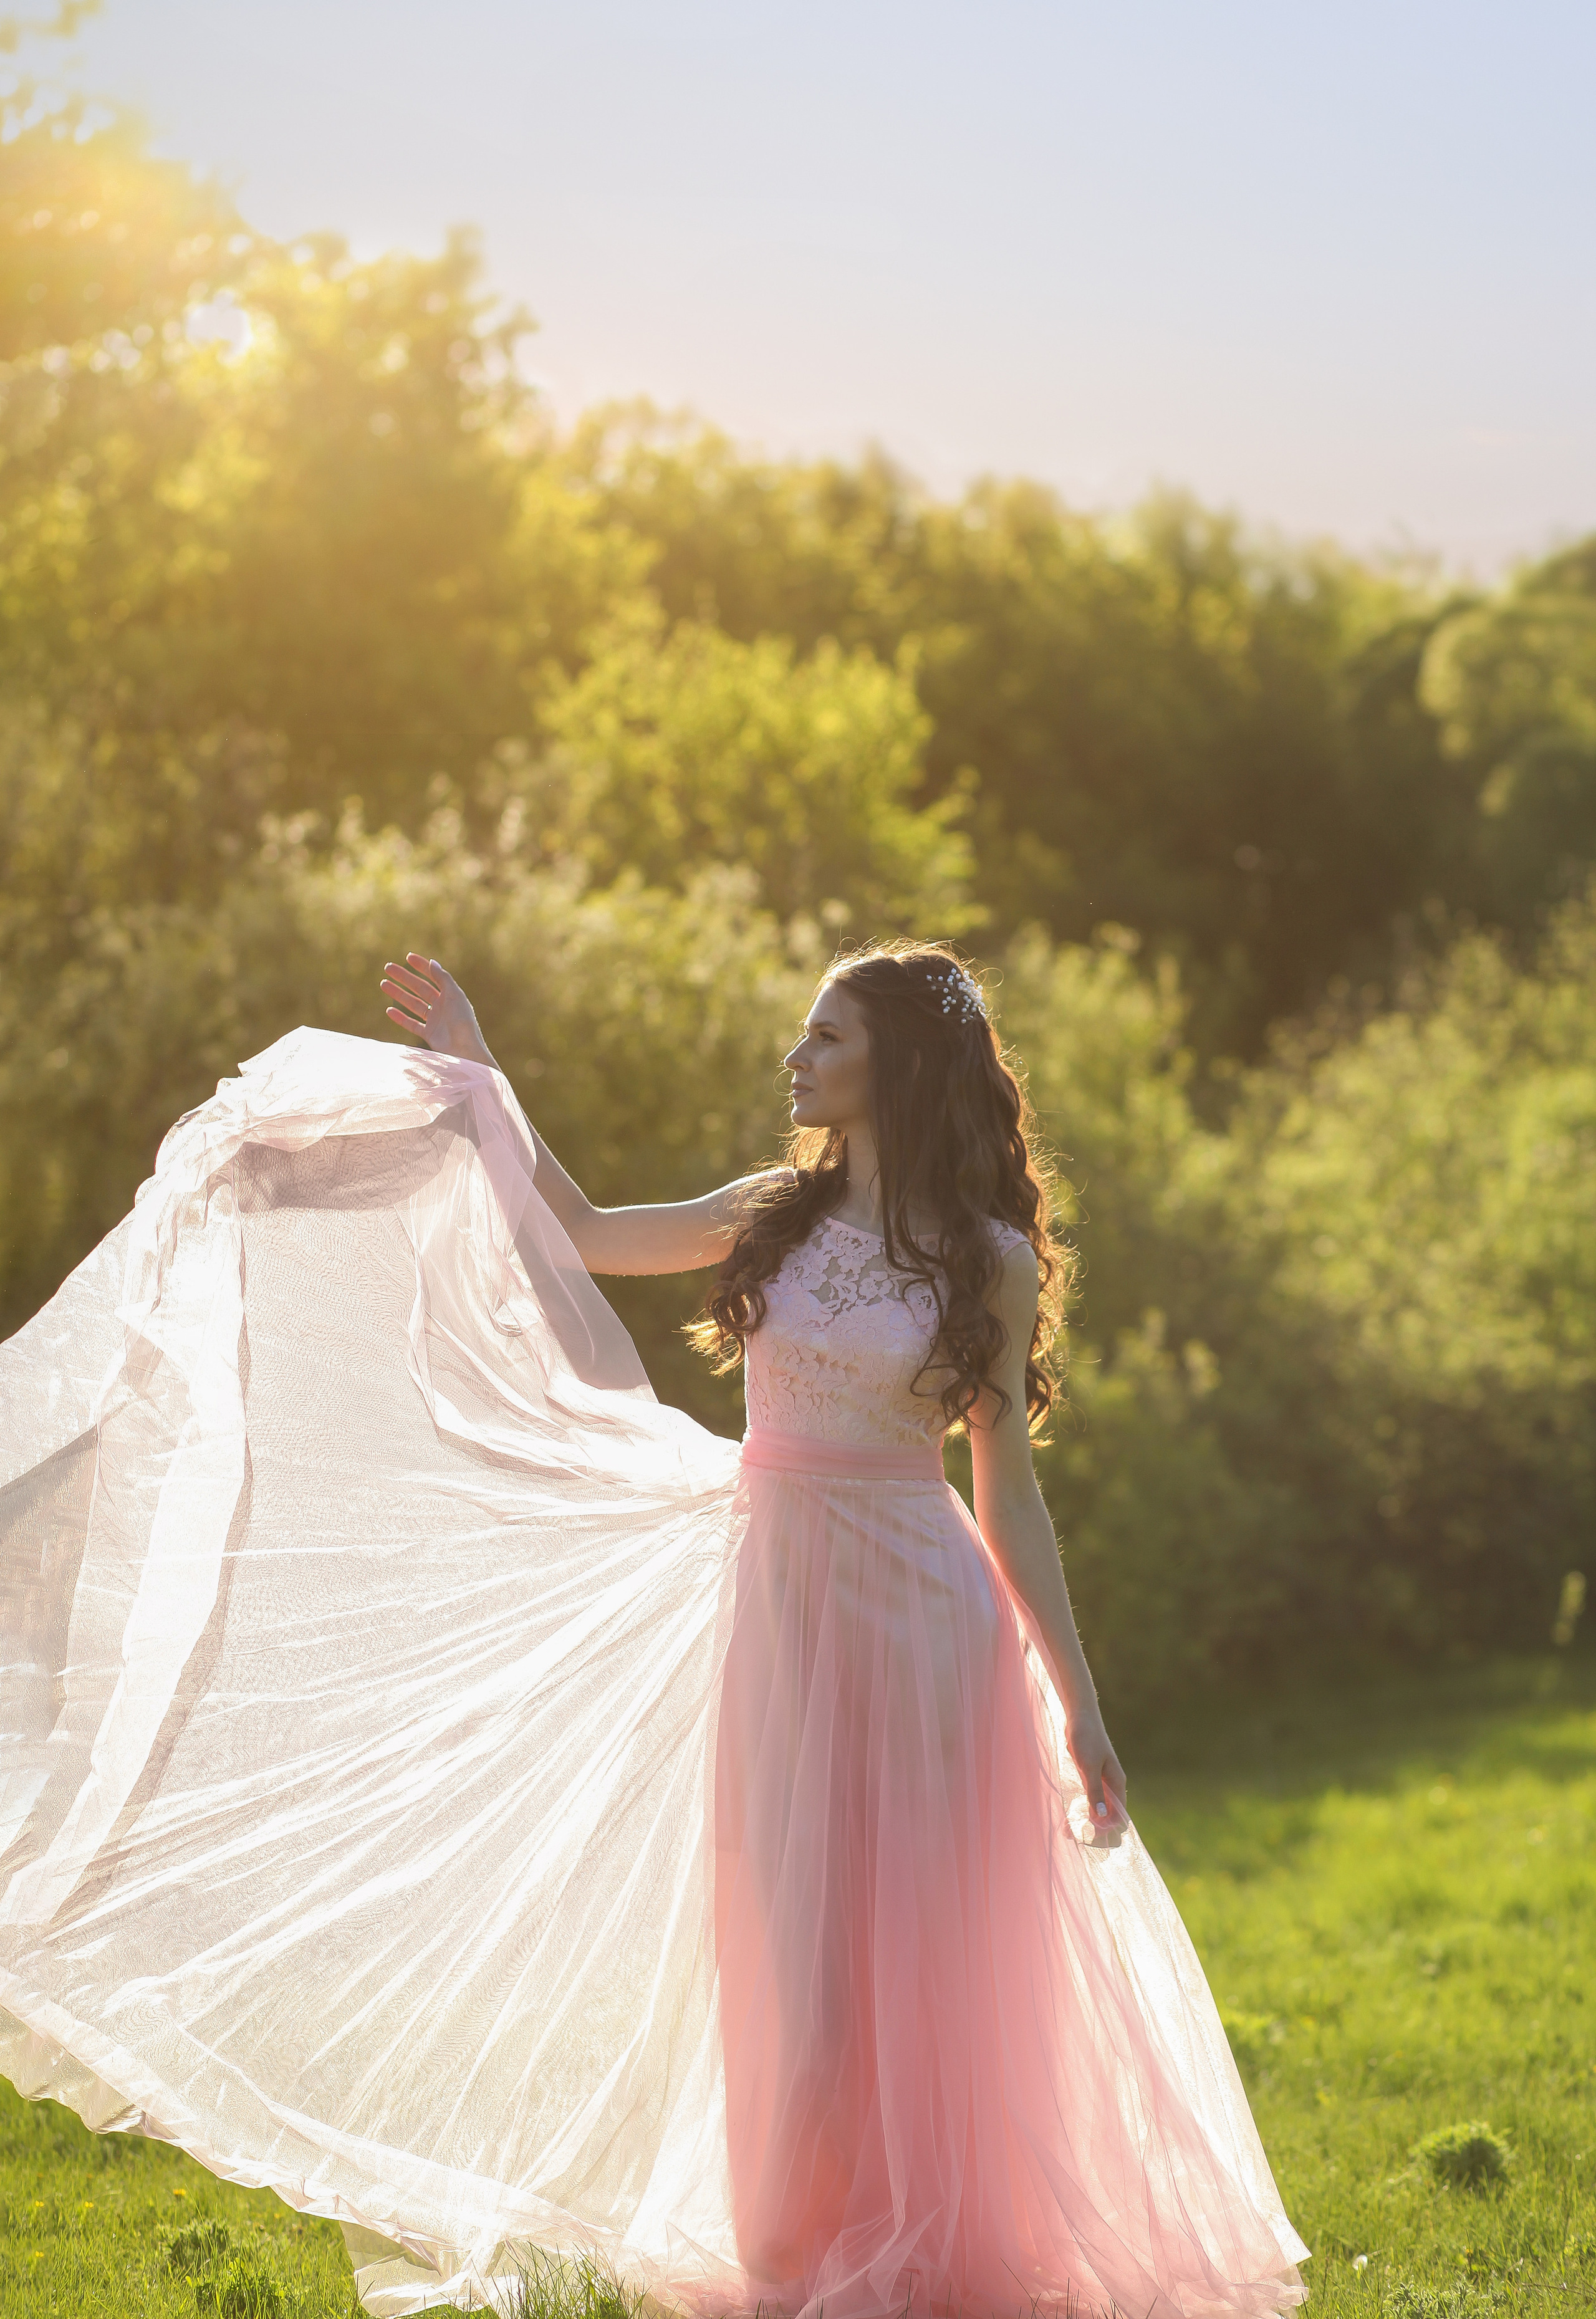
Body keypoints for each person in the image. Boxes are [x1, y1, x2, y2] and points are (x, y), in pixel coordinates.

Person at [0, 939, 1308, 2319]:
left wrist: (1076, 1704)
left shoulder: (984, 1259)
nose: (797, 1059)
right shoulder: (773, 1214)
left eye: (827, 1038)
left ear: (898, 1067)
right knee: (780, 1956)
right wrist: (477, 1069)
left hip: (927, 1624)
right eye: (804, 1035)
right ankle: (791, 2263)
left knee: (923, 1966)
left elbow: (1009, 1494)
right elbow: (579, 1232)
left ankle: (935, 2261)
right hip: (779, 1603)